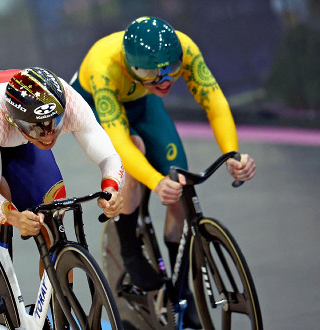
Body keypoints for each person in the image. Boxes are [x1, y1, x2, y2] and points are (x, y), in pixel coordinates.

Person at [70, 16, 256, 328]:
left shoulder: (184, 49)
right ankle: (129, 248)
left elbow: (214, 103)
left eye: (171, 69)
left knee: (179, 180)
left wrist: (231, 153)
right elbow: (120, 144)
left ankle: (182, 290)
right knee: (134, 152)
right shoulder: (105, 65)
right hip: (93, 106)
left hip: (141, 101)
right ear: (133, 67)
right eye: (153, 74)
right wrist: (154, 182)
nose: (165, 81)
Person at [0, 67, 124, 317]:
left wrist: (111, 188)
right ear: (16, 119)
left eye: (54, 123)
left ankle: (56, 312)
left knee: (54, 213)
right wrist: (13, 217)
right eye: (38, 127)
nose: (48, 135)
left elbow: (109, 156)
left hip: (19, 139)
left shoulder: (66, 100)